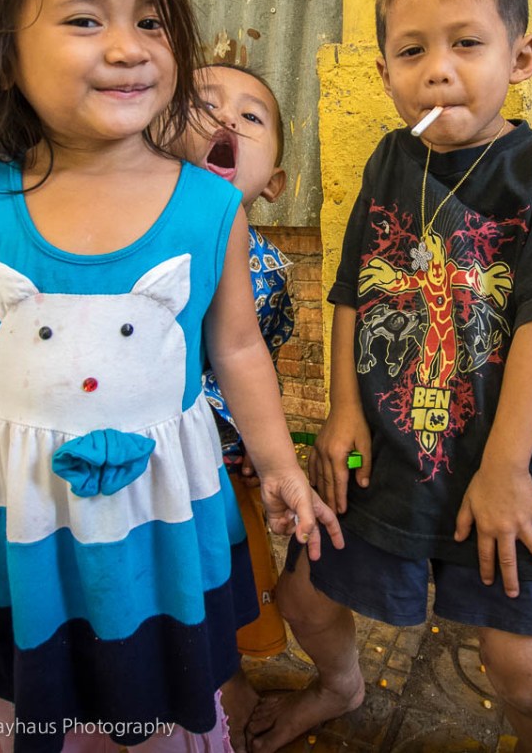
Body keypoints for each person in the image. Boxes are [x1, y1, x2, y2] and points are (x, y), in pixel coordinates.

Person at [0, 0, 342, 753]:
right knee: (44, 704)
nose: (129, 49)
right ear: (0, 55)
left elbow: (241, 350)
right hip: (24, 525)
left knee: (163, 699)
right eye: (83, 20)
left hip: (166, 519)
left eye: (149, 20)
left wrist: (281, 463)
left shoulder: (207, 208)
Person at [248, 0, 532, 753]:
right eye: (411, 51)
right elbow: (353, 286)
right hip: (385, 453)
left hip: (503, 470)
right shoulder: (390, 161)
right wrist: (343, 413)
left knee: (520, 666)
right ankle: (342, 687)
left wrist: (505, 470)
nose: (438, 70)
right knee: (307, 600)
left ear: (520, 57)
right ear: (386, 75)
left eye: (467, 44)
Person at [183, 63, 294, 750]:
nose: (228, 119)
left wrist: (262, 451)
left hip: (221, 463)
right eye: (205, 105)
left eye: (251, 117)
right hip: (143, 460)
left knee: (227, 581)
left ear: (274, 183)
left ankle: (229, 682)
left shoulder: (266, 270)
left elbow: (252, 364)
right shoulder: (132, 234)